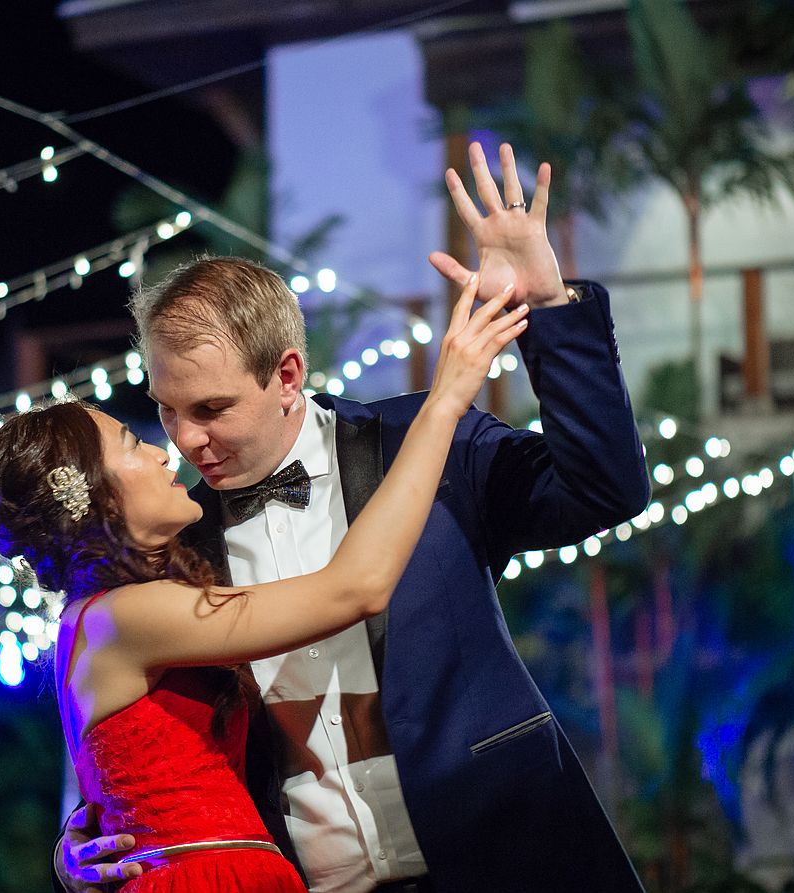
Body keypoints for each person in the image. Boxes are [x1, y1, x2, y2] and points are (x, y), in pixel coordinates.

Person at [54, 142, 650, 893]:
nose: (186, 439)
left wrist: (551, 308)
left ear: (286, 375)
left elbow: (606, 489)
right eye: (167, 411)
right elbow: (138, 740)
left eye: (211, 408)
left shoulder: (426, 442)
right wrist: (81, 848)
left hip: (506, 854)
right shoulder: (174, 549)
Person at [0, 271, 528, 891]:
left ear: (286, 377)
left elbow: (134, 769)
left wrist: (85, 844)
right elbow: (355, 587)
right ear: (98, 497)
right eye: (135, 441)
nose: (168, 448)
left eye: (207, 409)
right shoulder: (123, 615)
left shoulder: (129, 606)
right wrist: (444, 402)